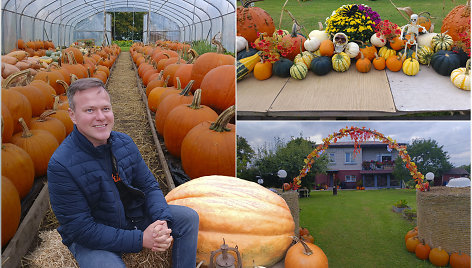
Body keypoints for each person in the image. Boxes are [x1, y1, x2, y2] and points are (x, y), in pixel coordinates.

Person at [47, 78, 199, 268]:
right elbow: (81, 229)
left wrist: (161, 222)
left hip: (132, 218)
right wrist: (141, 239)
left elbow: (149, 186)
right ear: (73, 115)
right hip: (94, 237)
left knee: (188, 218)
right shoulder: (61, 165)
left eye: (105, 109)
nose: (101, 117)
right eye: (89, 110)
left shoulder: (124, 143)